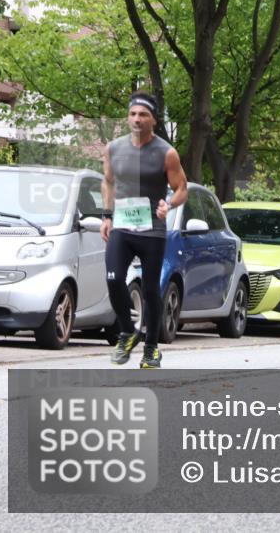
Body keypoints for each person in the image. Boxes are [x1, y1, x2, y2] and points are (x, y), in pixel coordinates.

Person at [102, 92, 188, 368]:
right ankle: (128, 332)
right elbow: (108, 182)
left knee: (151, 289)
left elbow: (182, 189)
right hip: (122, 226)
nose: (137, 119)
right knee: (114, 278)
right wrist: (106, 216)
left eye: (143, 115)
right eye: (133, 114)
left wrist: (169, 204)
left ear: (154, 120)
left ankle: (151, 348)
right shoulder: (113, 148)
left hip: (151, 229)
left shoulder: (166, 153)